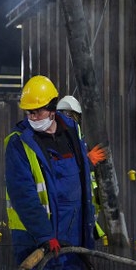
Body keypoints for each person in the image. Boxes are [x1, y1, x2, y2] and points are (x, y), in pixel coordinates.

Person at [4, 77, 95, 270]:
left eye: (39, 112)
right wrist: (46, 236)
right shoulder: (18, 144)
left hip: (74, 237)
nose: (33, 118)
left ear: (53, 108)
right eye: (29, 113)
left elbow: (84, 186)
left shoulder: (72, 132)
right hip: (42, 240)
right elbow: (24, 196)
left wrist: (89, 232)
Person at [56, 95, 106, 240]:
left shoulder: (79, 141)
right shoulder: (56, 140)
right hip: (70, 216)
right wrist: (88, 162)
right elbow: (64, 174)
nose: (70, 120)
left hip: (84, 216)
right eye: (68, 116)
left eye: (74, 117)